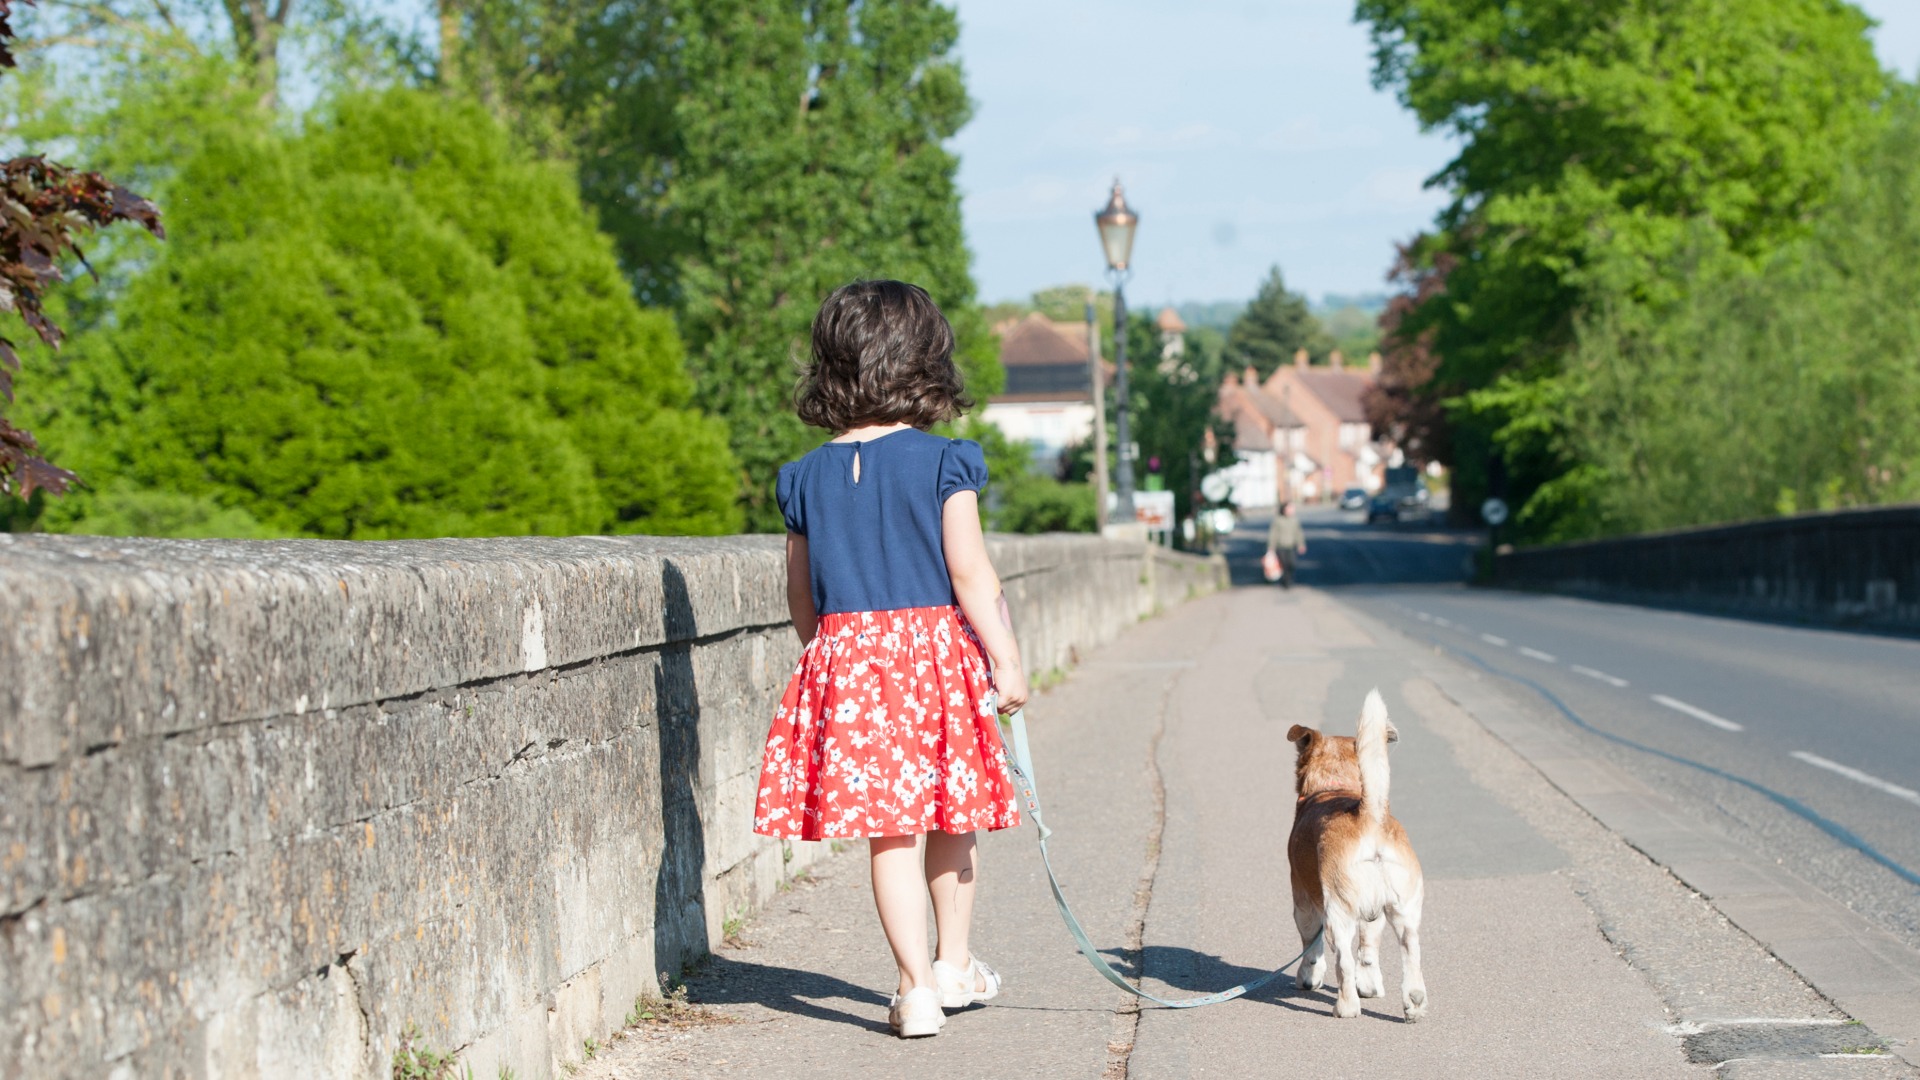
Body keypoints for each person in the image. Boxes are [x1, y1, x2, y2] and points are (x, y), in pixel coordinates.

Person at [753, 280, 1029, 1039]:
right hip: (936, 663)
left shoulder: (802, 477)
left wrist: (829, 658)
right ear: (924, 362)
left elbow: (800, 596)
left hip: (850, 663)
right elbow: (971, 574)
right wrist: (1006, 659)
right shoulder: (945, 463)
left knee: (889, 834)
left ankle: (913, 990)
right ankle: (955, 961)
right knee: (953, 817)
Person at [1267, 499, 1307, 588]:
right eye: (1289, 508)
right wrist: (1271, 546)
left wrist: (1301, 544)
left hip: (1291, 546)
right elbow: (1273, 534)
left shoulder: (1294, 520)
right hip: (1281, 546)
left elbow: (1298, 533)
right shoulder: (1278, 520)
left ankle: (1289, 578)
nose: (1291, 510)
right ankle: (1285, 581)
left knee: (1291, 564)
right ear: (1284, 509)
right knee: (1284, 564)